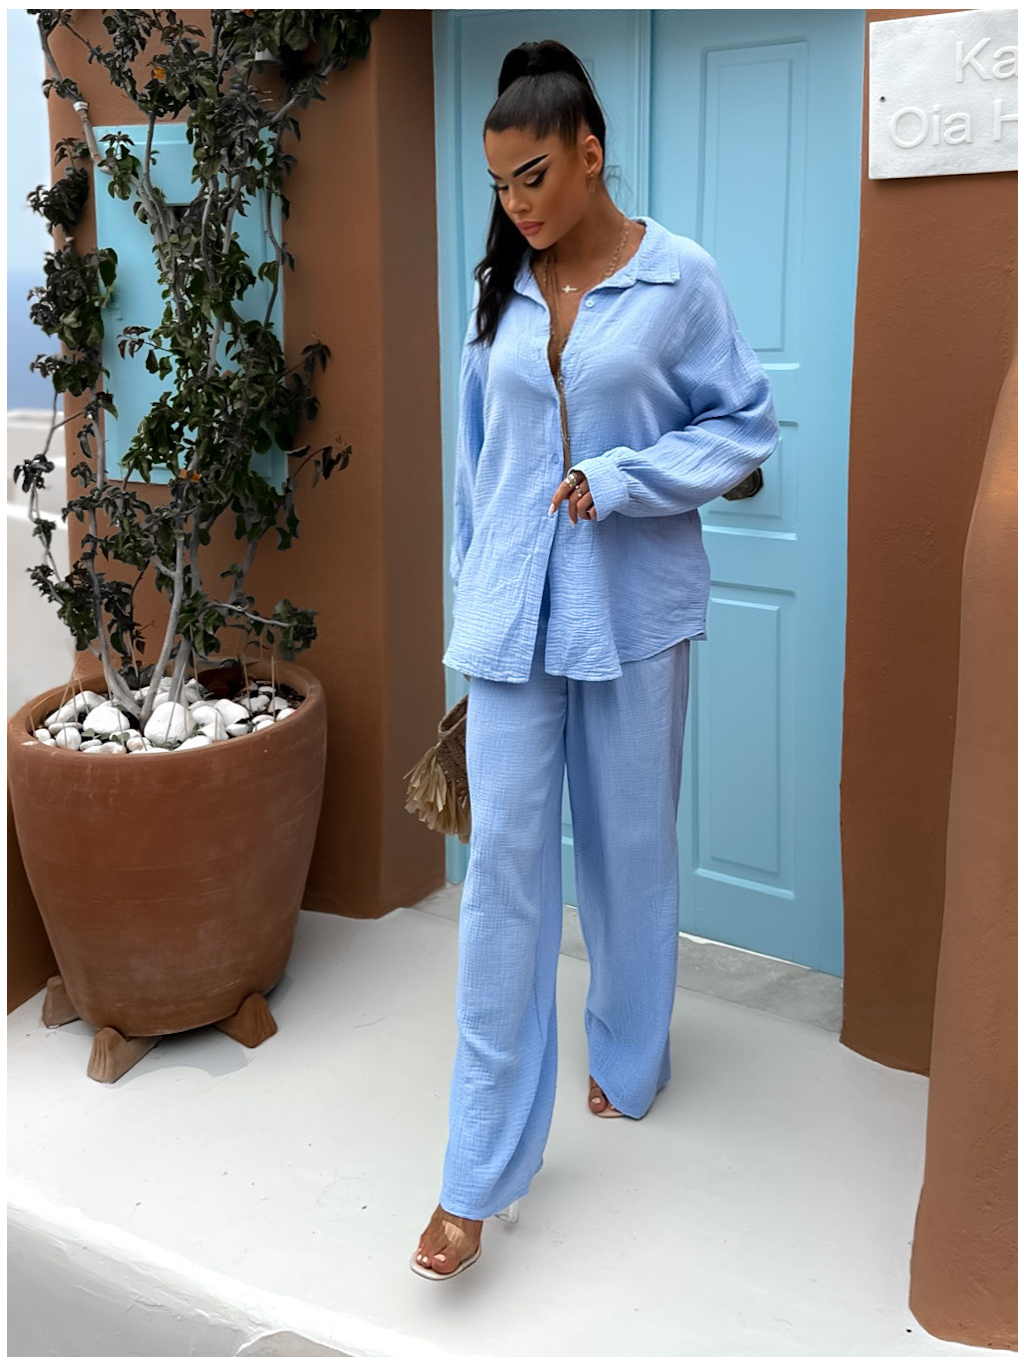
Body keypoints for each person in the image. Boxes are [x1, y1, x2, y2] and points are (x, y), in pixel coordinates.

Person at [412, 38, 779, 1280]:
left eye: (533, 177)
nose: (515, 204)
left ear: (589, 152)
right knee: (502, 878)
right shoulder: (500, 291)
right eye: (499, 185)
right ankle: (473, 1172)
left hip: (633, 610)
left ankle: (628, 1053)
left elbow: (743, 426)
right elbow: (477, 467)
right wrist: (470, 614)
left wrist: (627, 477)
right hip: (512, 620)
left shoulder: (681, 279)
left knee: (627, 852)